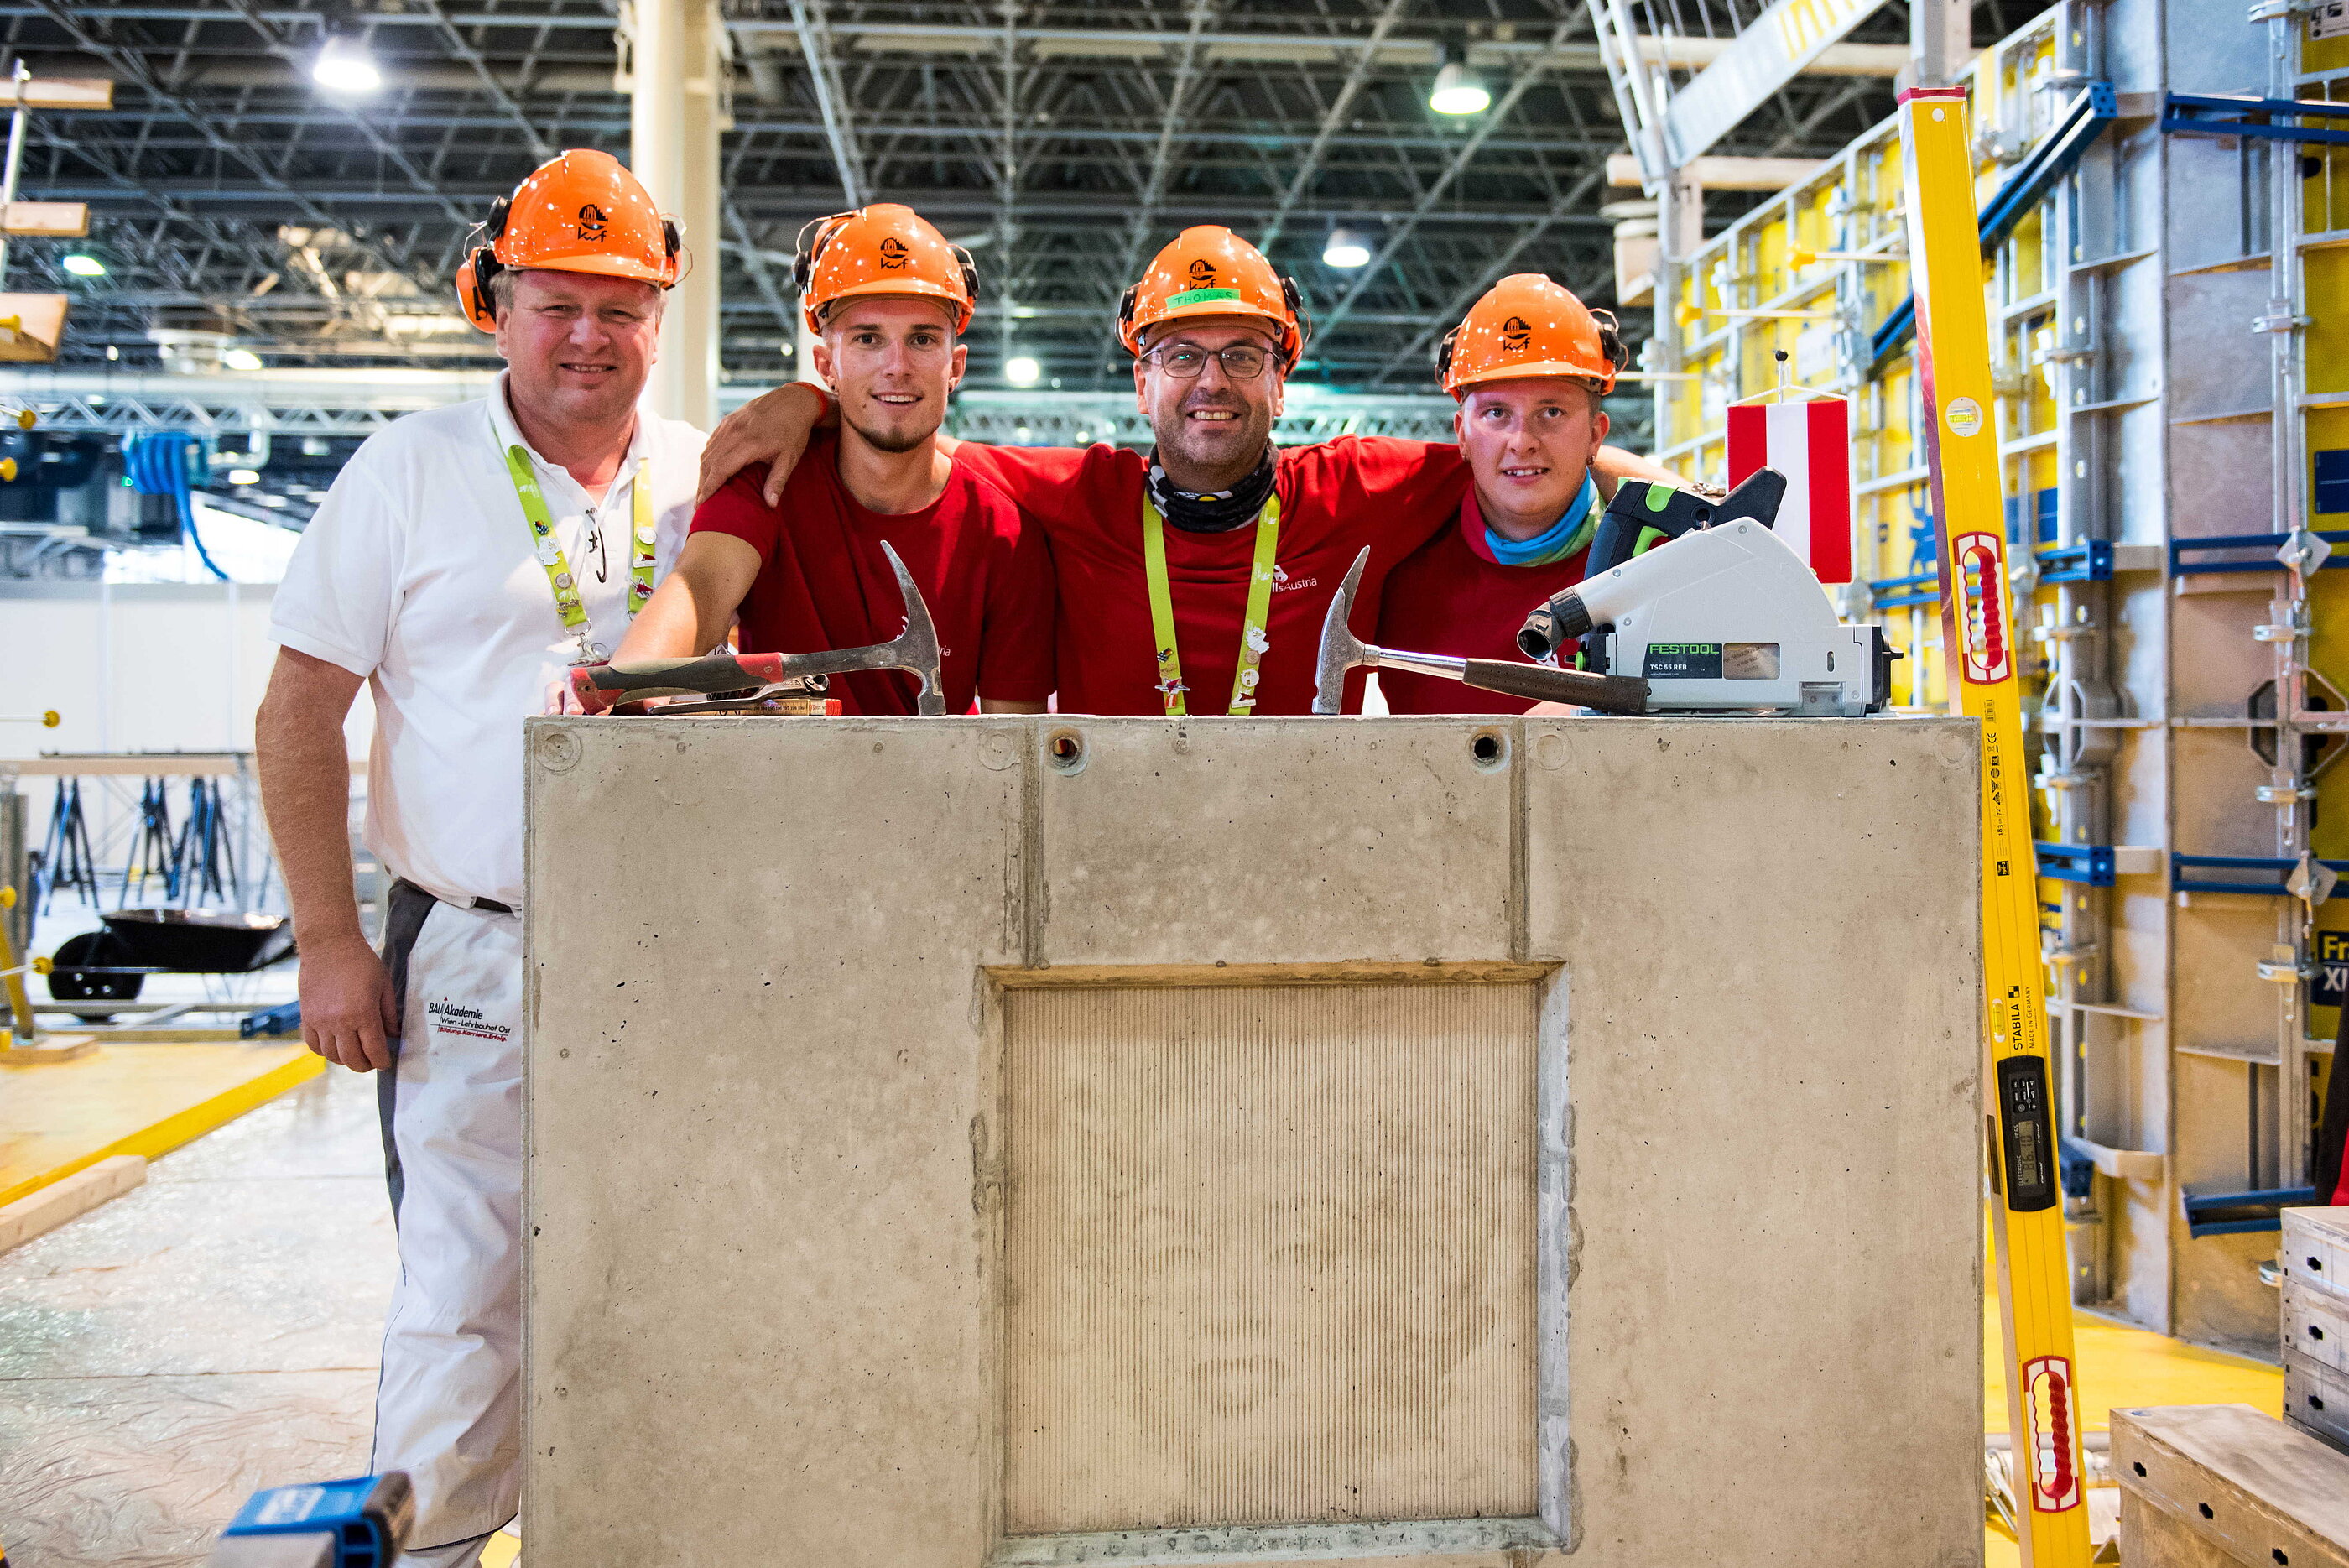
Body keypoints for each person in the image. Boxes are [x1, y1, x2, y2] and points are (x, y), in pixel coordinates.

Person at [254, 148, 703, 1568]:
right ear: (492, 304)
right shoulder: (409, 471)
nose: (588, 336)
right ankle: (433, 1550)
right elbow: (297, 713)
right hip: (470, 942)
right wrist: (329, 939)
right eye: (555, 303)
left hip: (679, 952)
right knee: (465, 1287)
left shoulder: (704, 476)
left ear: (662, 316)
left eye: (621, 308)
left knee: (674, 1270)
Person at [695, 227, 1667, 716]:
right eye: (1180, 356)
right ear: (1140, 380)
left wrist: (1628, 469)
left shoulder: (1360, 489)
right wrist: (810, 400)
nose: (1211, 382)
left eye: (1242, 355)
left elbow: (1517, 447)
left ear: (1281, 378)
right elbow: (911, 434)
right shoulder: (1080, 497)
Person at [614, 203, 1052, 715]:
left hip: (942, 771)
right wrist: (620, 696)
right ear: (826, 365)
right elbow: (700, 590)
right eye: (868, 339)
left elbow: (1011, 740)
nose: (897, 366)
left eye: (922, 339)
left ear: (955, 367)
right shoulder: (768, 482)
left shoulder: (1004, 534)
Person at [1376, 274, 1677, 714]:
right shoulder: (1399, 563)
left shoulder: (1660, 560)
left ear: (1596, 434)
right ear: (1462, 434)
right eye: (1496, 413)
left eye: (1551, 411)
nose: (1522, 442)